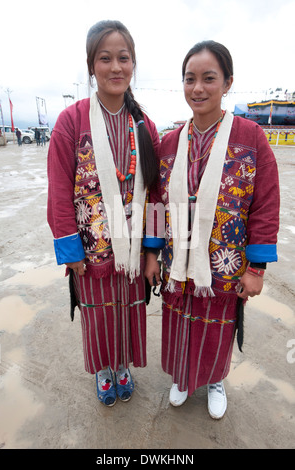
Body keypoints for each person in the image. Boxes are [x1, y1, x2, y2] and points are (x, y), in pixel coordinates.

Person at [145, 40, 280, 419]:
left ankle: (216, 380)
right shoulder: (169, 143)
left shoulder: (252, 138)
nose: (198, 88)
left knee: (218, 325)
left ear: (227, 82)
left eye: (209, 78)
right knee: (178, 319)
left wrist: (256, 269)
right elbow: (155, 200)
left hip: (225, 259)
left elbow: (266, 204)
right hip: (177, 260)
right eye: (190, 79)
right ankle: (182, 378)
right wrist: (152, 252)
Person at [47, 20, 160, 407]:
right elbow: (60, 191)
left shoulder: (145, 125)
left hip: (132, 254)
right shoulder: (71, 122)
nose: (116, 67)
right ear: (91, 65)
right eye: (105, 58)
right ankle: (103, 371)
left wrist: (151, 253)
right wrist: (70, 248)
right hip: (91, 251)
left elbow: (157, 195)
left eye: (123, 58)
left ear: (133, 63)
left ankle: (123, 365)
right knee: (98, 316)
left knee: (128, 314)